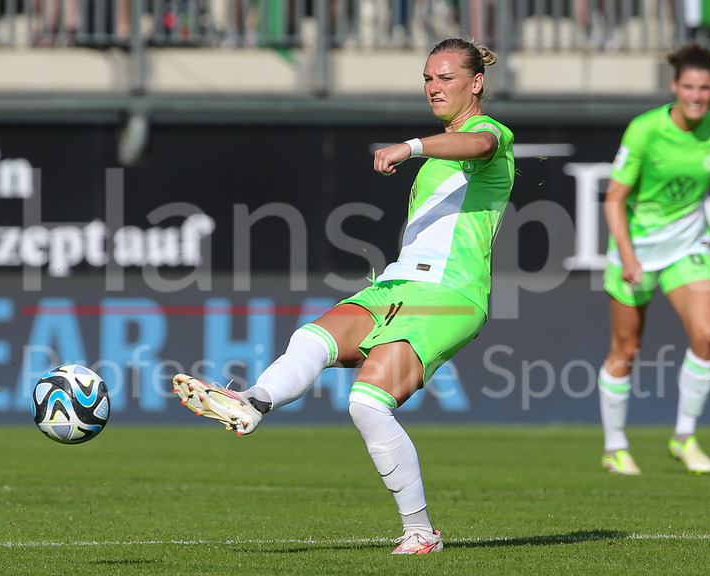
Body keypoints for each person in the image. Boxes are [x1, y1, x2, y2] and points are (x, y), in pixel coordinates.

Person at [172, 37, 515, 555]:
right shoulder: (440, 151)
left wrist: (410, 146)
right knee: (312, 339)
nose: (433, 87)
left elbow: (480, 145)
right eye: (427, 77)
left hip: (450, 296)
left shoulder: (489, 137)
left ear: (476, 82)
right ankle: (253, 403)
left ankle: (421, 534)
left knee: (367, 403)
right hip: (399, 283)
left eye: (446, 78)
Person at [596, 43, 710, 476]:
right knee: (626, 348)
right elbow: (614, 200)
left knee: (707, 335)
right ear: (674, 87)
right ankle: (615, 446)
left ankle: (684, 436)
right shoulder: (645, 130)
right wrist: (627, 256)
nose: (697, 96)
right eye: (689, 87)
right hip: (637, 252)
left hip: (688, 249)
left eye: (705, 88)